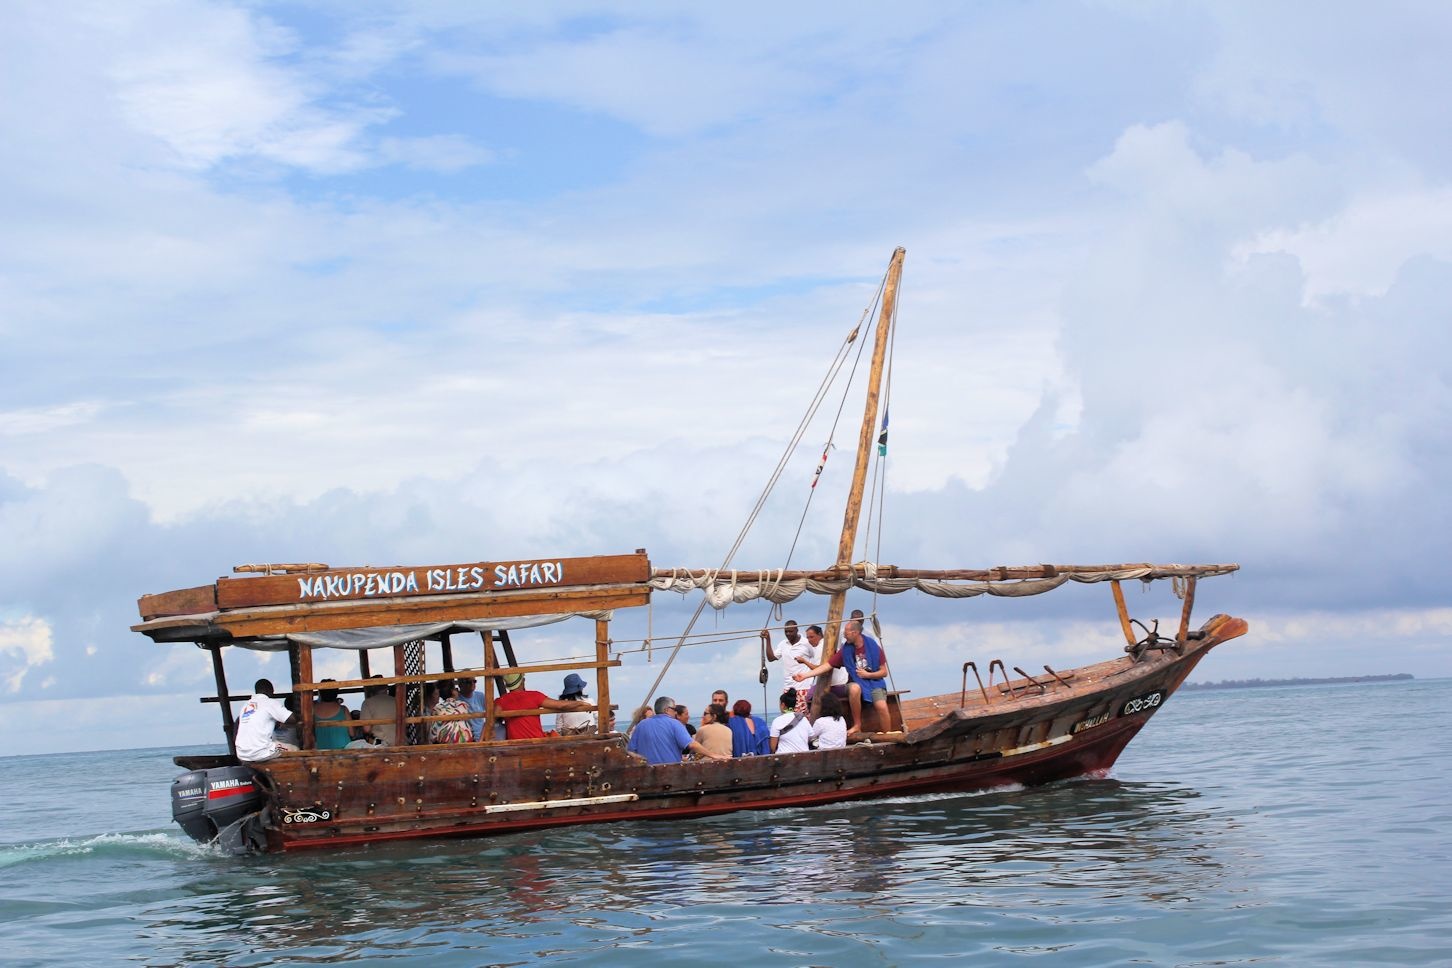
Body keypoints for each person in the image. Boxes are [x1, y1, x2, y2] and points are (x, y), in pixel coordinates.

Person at [794, 619, 889, 739]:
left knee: (881, 706)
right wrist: (804, 676)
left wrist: (868, 675)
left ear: (855, 633)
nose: (844, 636)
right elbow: (827, 666)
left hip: (875, 683)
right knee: (854, 688)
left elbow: (884, 672)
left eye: (847, 633)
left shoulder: (873, 646)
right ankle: (857, 725)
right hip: (858, 683)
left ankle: (887, 735)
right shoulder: (846, 649)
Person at [626, 696, 724, 764]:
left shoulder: (641, 725)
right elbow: (691, 744)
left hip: (647, 775)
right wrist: (713, 755)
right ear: (667, 710)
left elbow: (631, 751)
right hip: (670, 773)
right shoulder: (674, 723)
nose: (676, 713)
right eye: (674, 709)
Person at [495, 672, 591, 740]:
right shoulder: (534, 696)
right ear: (522, 681)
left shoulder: (501, 701)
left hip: (515, 744)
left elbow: (492, 721)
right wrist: (580, 703)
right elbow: (560, 705)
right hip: (537, 742)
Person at [235, 679, 296, 762]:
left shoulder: (246, 706)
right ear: (269, 690)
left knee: (274, 742)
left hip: (242, 754)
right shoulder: (269, 703)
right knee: (295, 750)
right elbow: (293, 719)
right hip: (261, 752)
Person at [762, 620, 816, 713]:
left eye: (790, 631)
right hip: (788, 688)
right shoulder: (783, 644)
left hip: (804, 687)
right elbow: (771, 658)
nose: (788, 634)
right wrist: (768, 640)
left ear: (797, 630)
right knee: (787, 716)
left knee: (803, 717)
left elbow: (816, 660)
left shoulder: (807, 643)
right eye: (786, 632)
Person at [770, 689, 811, 754]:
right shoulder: (803, 719)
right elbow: (810, 736)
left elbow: (773, 747)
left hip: (784, 759)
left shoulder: (777, 721)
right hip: (804, 757)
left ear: (783, 705)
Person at [313, 680, 352, 750]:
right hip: (344, 751)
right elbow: (352, 733)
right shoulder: (343, 709)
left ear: (320, 693)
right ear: (336, 693)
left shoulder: (312, 710)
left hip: (321, 751)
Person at [359, 676, 396, 746]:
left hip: (382, 745)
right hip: (402, 743)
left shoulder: (368, 703)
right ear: (386, 687)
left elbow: (366, 729)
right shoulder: (397, 701)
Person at [459, 676, 487, 742]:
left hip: (482, 738)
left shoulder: (480, 696)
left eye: (474, 681)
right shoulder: (457, 700)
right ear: (460, 684)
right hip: (465, 740)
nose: (472, 683)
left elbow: (491, 715)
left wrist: (482, 738)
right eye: (468, 682)